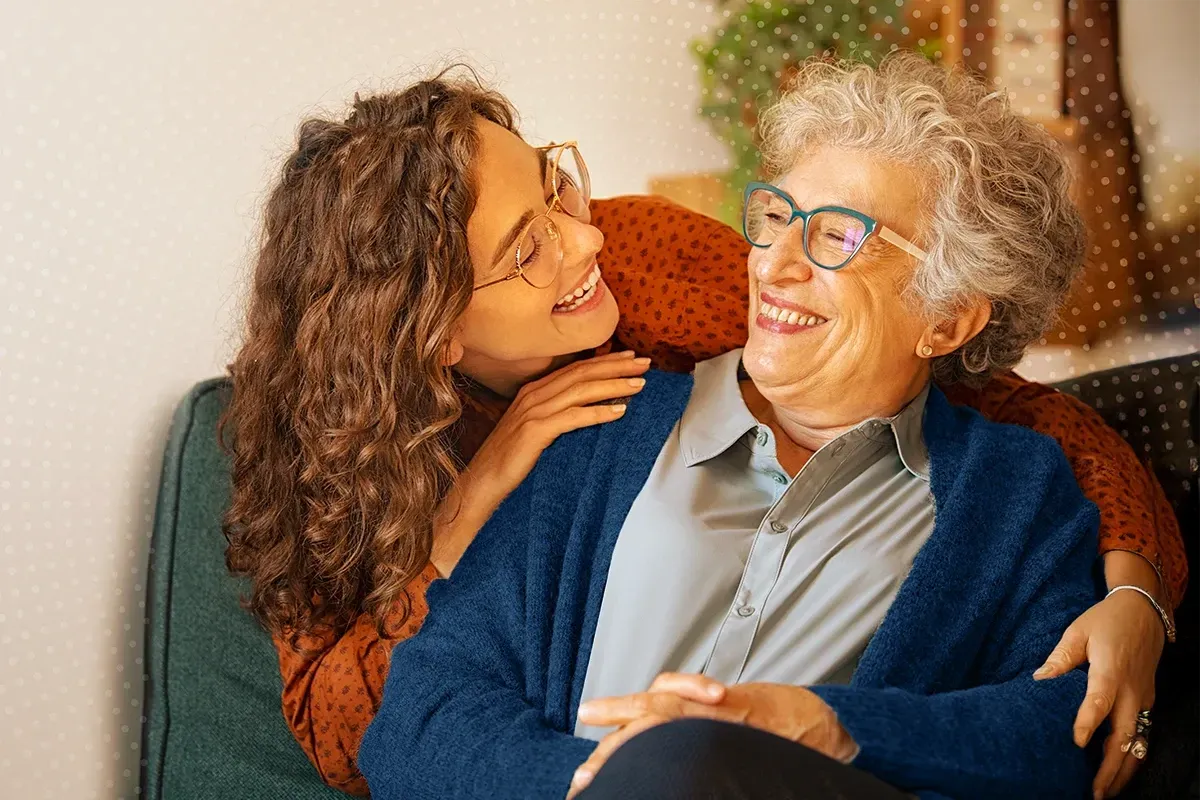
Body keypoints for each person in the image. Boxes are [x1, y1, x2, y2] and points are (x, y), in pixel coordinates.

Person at [218, 65, 1186, 798]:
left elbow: (1059, 721)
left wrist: (1136, 592)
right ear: (433, 332)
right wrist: (607, 778)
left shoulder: (1012, 489)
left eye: (837, 234)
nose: (770, 263)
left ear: (948, 315)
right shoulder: (581, 440)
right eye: (778, 218)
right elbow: (396, 721)